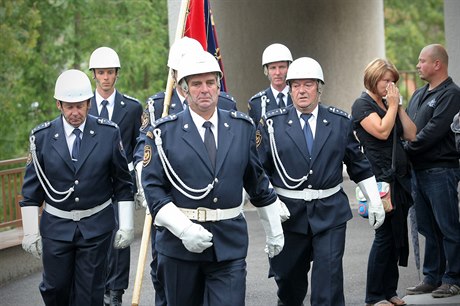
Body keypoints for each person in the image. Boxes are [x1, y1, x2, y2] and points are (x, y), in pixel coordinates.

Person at [141, 50, 285, 306]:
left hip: (228, 243)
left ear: (219, 86)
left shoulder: (242, 128)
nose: (204, 89)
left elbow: (257, 183)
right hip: (178, 247)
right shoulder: (163, 133)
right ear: (184, 90)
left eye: (210, 82)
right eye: (196, 84)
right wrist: (183, 229)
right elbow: (153, 191)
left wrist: (274, 229)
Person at [256, 57, 386, 306]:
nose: (301, 90)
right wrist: (270, 203)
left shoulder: (339, 121)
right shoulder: (271, 124)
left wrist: (374, 201)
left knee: (328, 284)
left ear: (319, 87)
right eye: (295, 85)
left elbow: (359, 165)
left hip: (330, 214)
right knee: (289, 286)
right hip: (288, 216)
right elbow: (258, 171)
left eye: (308, 84)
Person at [133, 36, 238, 306]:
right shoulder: (158, 105)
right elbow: (141, 151)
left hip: (215, 210)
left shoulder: (225, 103)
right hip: (171, 210)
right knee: (167, 278)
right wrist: (144, 186)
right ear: (174, 74)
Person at [20, 69, 135, 306]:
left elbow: (123, 183)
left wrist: (127, 225)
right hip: (57, 227)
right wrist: (31, 231)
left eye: (80, 106)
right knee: (54, 288)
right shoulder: (41, 138)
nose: (75, 112)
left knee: (90, 292)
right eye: (69, 106)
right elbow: (31, 190)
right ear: (58, 105)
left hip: (96, 227)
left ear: (89, 104)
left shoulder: (108, 133)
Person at [351, 58, 417, 306]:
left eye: (393, 81)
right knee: (383, 237)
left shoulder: (390, 104)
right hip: (379, 181)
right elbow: (381, 131)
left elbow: (411, 133)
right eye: (385, 80)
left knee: (396, 236)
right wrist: (390, 107)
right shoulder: (362, 104)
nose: (389, 85)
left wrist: (398, 106)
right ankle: (374, 295)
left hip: (400, 181)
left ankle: (390, 290)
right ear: (372, 78)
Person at [87, 46, 143, 306]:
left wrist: (137, 178)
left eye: (110, 72)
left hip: (122, 184)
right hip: (93, 185)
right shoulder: (83, 107)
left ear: (116, 74)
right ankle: (97, 289)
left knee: (121, 239)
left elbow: (137, 146)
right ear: (94, 76)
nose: (106, 77)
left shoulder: (131, 108)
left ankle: (116, 292)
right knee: (96, 237)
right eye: (101, 73)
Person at [405, 44, 460, 298]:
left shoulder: (451, 94)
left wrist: (406, 149)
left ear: (437, 64)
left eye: (422, 61)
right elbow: (406, 125)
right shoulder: (418, 95)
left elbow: (432, 133)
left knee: (448, 227)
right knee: (427, 228)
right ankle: (433, 276)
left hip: (441, 171)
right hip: (419, 171)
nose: (418, 65)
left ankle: (453, 278)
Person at [248, 43, 293, 125]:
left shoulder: (299, 96)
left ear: (289, 68)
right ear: (266, 71)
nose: (278, 73)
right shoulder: (256, 103)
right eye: (273, 68)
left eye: (282, 67)